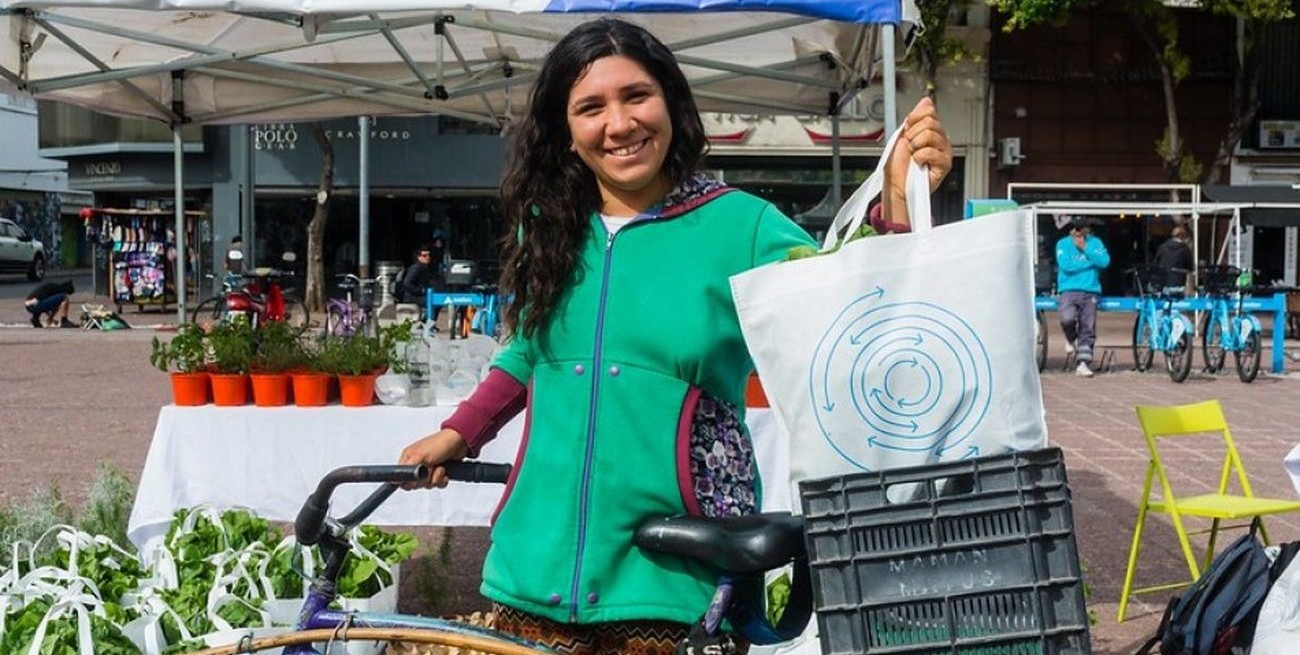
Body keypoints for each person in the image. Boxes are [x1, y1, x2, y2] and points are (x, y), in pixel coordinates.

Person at [397, 18, 952, 655]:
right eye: (591, 108)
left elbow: (850, 309)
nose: (620, 124)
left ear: (672, 105)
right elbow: (527, 349)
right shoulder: (550, 228)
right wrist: (460, 431)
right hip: (536, 556)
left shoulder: (742, 227)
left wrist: (896, 209)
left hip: (674, 561)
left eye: (637, 96)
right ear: (566, 133)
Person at [1056, 217, 1111, 377]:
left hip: (1090, 290)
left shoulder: (1095, 242)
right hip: (1068, 289)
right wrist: (1090, 262)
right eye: (1079, 230)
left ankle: (1083, 363)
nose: (1082, 233)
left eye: (1084, 230)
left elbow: (1104, 261)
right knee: (1067, 319)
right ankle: (1070, 338)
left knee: (1088, 326)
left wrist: (1085, 248)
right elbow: (1065, 265)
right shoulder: (1062, 244)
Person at [398, 245, 437, 318]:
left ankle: (429, 322)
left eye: (429, 255)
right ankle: (427, 322)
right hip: (412, 297)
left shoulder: (425, 268)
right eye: (424, 256)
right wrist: (421, 290)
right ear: (419, 257)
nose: (428, 257)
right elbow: (407, 283)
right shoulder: (416, 268)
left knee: (435, 302)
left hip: (418, 295)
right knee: (433, 302)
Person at [1152, 225, 1193, 289]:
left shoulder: (1162, 247)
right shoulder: (1184, 249)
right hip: (1179, 281)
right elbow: (1189, 267)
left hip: (1164, 281)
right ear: (1181, 236)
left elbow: (1156, 264)